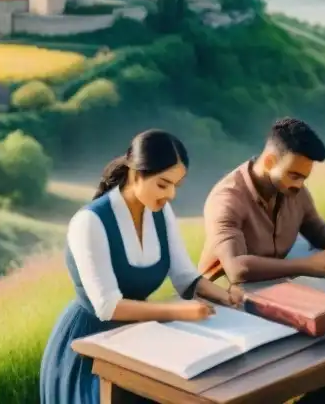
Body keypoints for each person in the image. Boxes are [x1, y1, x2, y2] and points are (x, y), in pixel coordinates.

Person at [40, 129, 245, 404]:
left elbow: (185, 277)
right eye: (163, 185)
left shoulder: (161, 214)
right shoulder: (89, 222)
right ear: (136, 175)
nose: (171, 194)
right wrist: (179, 312)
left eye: (176, 186)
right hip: (90, 344)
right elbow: (107, 307)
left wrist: (225, 295)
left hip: (138, 336)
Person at [197, 116, 325, 404]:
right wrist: (306, 266)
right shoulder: (226, 199)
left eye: (304, 177)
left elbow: (316, 226)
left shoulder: (292, 190)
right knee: (274, 376)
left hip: (276, 300)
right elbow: (237, 269)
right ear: (269, 161)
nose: (299, 185)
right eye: (294, 176)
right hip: (227, 308)